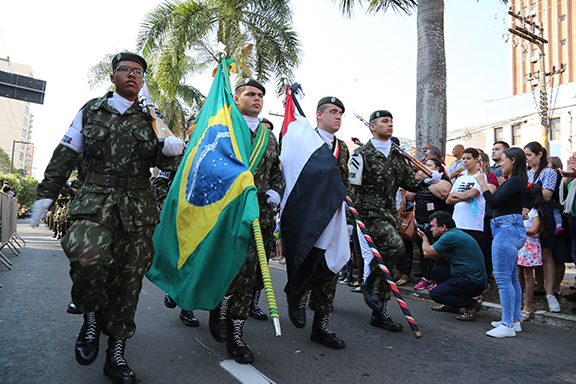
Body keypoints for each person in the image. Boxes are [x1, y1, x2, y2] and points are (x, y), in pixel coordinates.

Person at [30, 52, 185, 384]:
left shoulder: (152, 117)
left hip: (137, 208)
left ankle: (116, 352)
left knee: (128, 282)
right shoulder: (91, 110)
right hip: (94, 201)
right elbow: (67, 152)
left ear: (143, 80)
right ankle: (90, 317)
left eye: (138, 72)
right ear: (113, 75)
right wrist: (46, 192)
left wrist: (172, 152)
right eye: (125, 70)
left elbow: (166, 160)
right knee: (88, 260)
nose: (132, 75)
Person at [208, 78, 283, 363]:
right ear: (237, 99)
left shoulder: (269, 137)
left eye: (261, 95)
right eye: (250, 94)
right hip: (228, 211)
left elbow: (276, 170)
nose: (257, 98)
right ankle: (218, 304)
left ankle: (236, 334)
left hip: (259, 215)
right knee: (227, 266)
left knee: (250, 275)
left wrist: (276, 190)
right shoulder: (224, 129)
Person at [349, 110, 441, 333]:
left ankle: (379, 311)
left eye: (391, 121)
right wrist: (349, 212)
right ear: (372, 126)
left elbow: (409, 182)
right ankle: (369, 281)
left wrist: (429, 180)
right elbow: (351, 186)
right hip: (368, 212)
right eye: (384, 121)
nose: (390, 125)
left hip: (390, 213)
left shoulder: (398, 155)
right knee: (395, 246)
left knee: (388, 263)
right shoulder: (361, 154)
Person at [285, 96, 350, 349]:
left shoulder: (342, 147)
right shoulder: (303, 140)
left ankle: (321, 327)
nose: (338, 117)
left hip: (334, 213)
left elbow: (342, 180)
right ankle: (297, 293)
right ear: (318, 115)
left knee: (329, 268)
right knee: (306, 260)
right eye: (333, 112)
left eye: (341, 113)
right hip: (307, 213)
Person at [476, 147, 528, 338]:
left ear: (513, 160)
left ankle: (507, 325)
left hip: (506, 230)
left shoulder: (515, 180)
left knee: (504, 279)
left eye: (503, 159)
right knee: (512, 277)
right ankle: (514, 320)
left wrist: (482, 183)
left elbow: (494, 201)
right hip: (508, 228)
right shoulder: (516, 180)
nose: (501, 164)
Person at [418, 211, 487, 321]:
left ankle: (472, 304)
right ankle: (451, 305)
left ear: (443, 227)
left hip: (473, 281)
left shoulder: (450, 236)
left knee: (435, 294)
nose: (430, 229)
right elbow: (435, 256)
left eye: (432, 226)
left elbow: (427, 253)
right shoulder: (453, 234)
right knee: (437, 271)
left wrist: (424, 237)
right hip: (465, 276)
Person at [524, 142, 560, 312]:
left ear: (540, 154)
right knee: (531, 253)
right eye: (525, 156)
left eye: (530, 155)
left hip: (544, 215)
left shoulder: (549, 172)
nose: (527, 159)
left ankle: (550, 293)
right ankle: (538, 287)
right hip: (526, 216)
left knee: (546, 253)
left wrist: (527, 191)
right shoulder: (525, 173)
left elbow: (546, 196)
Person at [406, 157, 453, 291]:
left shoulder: (443, 179)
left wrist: (428, 180)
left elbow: (443, 193)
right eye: (425, 165)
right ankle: (426, 278)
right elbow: (409, 196)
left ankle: (439, 280)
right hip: (421, 220)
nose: (425, 167)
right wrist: (418, 181)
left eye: (429, 165)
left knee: (439, 251)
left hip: (438, 223)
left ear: (437, 168)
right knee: (423, 251)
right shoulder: (421, 180)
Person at [446, 147, 486, 250]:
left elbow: (473, 193)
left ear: (476, 159)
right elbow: (449, 199)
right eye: (463, 158)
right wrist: (465, 196)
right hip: (457, 223)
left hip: (473, 225)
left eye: (468, 158)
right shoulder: (461, 178)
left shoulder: (481, 176)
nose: (465, 161)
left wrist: (457, 194)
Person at [518, 183, 547, 321]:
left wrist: (519, 230)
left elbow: (534, 230)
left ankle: (527, 305)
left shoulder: (535, 211)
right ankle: (519, 302)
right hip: (520, 244)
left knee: (528, 274)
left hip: (530, 245)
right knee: (518, 273)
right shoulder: (522, 210)